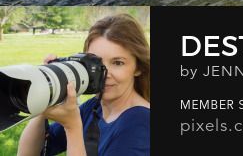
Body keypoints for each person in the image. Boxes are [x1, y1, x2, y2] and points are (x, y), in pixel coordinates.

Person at [17, 14, 150, 156]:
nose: (104, 74)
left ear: (138, 67)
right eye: (96, 63)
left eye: (118, 63)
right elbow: (29, 153)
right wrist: (47, 96)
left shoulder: (141, 122)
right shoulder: (94, 108)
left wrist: (72, 127)